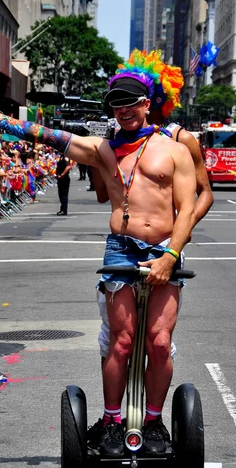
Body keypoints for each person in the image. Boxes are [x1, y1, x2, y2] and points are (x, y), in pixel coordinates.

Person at [0, 72, 196, 458]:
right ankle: (111, 422)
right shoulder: (103, 150)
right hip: (121, 251)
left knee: (159, 344)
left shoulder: (174, 150)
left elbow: (188, 208)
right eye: (116, 104)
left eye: (131, 102)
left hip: (163, 251)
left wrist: (170, 255)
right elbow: (50, 136)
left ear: (146, 103)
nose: (124, 110)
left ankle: (154, 422)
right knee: (121, 345)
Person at [91, 50, 213, 367]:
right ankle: (112, 413)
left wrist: (177, 236)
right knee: (117, 338)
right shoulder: (118, 139)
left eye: (142, 96)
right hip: (124, 245)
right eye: (122, 99)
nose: (129, 106)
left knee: (159, 341)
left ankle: (153, 414)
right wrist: (98, 157)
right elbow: (103, 196)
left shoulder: (180, 139)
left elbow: (205, 195)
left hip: (166, 244)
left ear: (156, 98)